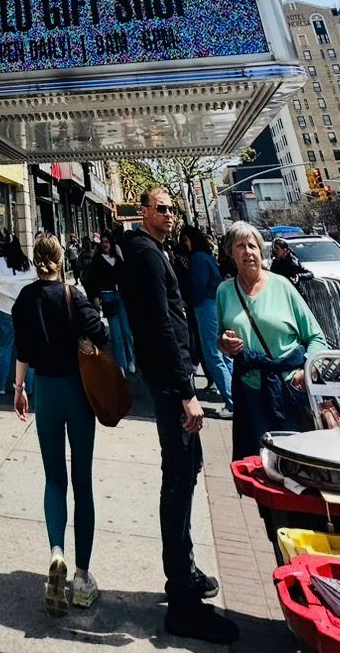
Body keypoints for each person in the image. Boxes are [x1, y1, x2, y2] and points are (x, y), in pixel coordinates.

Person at [120, 187, 236, 644]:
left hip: (169, 376)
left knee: (187, 469)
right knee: (180, 476)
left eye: (173, 209)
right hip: (170, 382)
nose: (169, 215)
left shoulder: (152, 251)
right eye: (161, 208)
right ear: (143, 212)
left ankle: (185, 570)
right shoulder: (146, 256)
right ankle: (182, 600)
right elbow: (159, 324)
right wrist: (187, 390)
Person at [12, 231, 109, 616]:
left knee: (54, 479)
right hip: (78, 392)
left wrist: (19, 388)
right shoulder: (73, 295)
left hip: (46, 392)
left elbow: (22, 349)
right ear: (61, 260)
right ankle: (82, 578)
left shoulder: (24, 299)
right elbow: (101, 332)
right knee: (82, 482)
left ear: (35, 260)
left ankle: (57, 552)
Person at [218, 223, 325, 459]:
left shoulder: (282, 286)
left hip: (290, 388)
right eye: (241, 246)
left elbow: (317, 337)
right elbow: (221, 337)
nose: (248, 252)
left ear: (261, 250)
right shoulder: (224, 292)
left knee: (298, 461)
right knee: (258, 462)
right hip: (249, 390)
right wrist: (225, 343)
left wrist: (305, 370)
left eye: (252, 246)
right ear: (231, 253)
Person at [185, 228, 232, 418]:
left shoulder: (198, 259)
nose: (185, 244)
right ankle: (236, 398)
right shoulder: (207, 257)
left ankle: (232, 401)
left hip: (205, 306)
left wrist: (191, 302)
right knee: (224, 354)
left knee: (213, 355)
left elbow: (198, 285)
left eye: (186, 240)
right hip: (215, 304)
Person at [0, 234, 37, 395]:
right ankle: (28, 387)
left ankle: (0, 385)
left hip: (6, 309)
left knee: (5, 347)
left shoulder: (1, 263)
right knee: (27, 348)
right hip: (26, 311)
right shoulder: (27, 263)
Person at [83, 230, 136, 376]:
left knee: (126, 331)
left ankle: (131, 359)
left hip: (121, 295)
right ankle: (121, 363)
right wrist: (95, 296)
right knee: (116, 333)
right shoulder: (97, 260)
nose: (104, 244)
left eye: (107, 242)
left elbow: (125, 277)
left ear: (111, 243)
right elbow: (93, 280)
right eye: (102, 242)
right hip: (108, 296)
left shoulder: (118, 259)